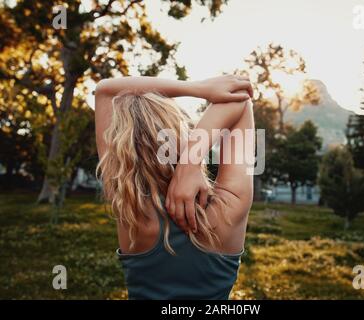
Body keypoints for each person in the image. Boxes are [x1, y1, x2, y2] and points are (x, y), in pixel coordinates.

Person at [95, 75, 255, 299]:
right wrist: (189, 164)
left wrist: (197, 88)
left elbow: (105, 90)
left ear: (121, 151)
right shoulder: (230, 207)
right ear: (180, 134)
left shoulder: (131, 210)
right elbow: (240, 100)